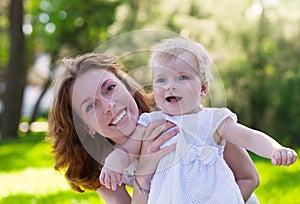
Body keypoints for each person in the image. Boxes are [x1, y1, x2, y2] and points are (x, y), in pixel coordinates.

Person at [99, 38, 297, 203]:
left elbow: (250, 137)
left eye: (182, 77)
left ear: (203, 88)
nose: (170, 86)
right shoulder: (151, 122)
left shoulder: (212, 121)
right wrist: (112, 164)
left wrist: (274, 149)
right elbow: (127, 151)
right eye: (161, 80)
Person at [47, 53, 260, 203]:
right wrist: (143, 174)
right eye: (91, 106)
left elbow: (249, 177)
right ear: (86, 127)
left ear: (126, 86)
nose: (109, 105)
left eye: (110, 88)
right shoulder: (104, 167)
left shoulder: (179, 113)